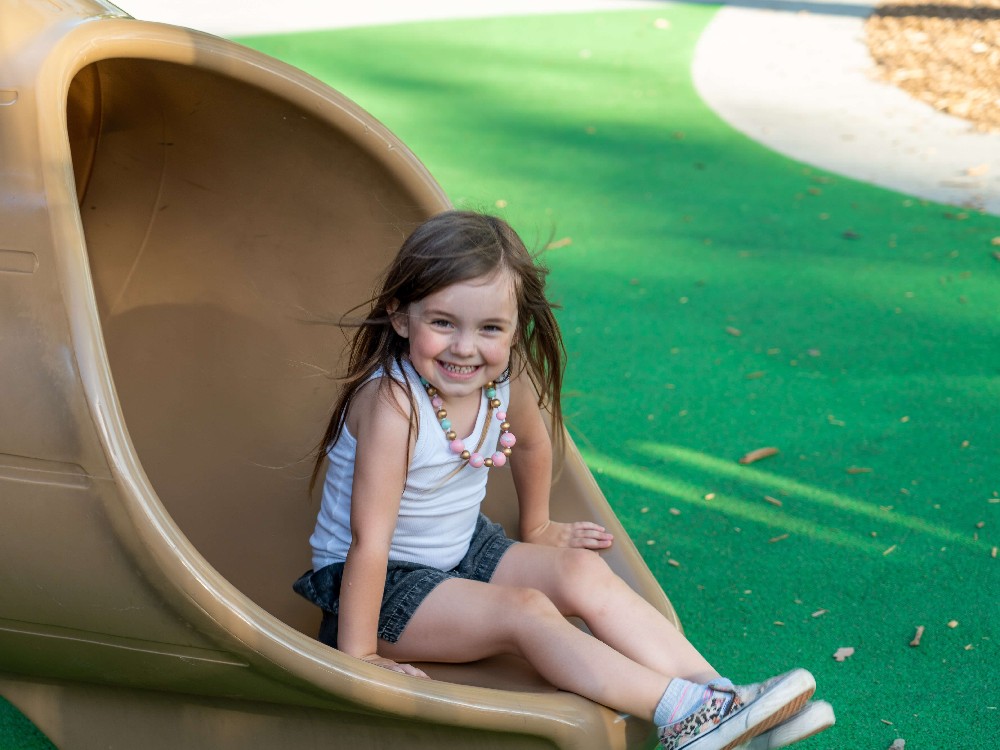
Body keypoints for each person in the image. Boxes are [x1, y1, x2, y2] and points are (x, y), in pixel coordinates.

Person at [294, 211, 834, 750]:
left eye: (489, 328)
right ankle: (683, 715)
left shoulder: (504, 381)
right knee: (525, 611)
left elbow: (531, 442)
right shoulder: (395, 407)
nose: (465, 348)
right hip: (379, 585)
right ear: (401, 317)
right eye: (443, 323)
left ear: (513, 327)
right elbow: (370, 542)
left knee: (578, 567)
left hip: (462, 548)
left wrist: (538, 524)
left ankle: (720, 703)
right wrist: (360, 660)